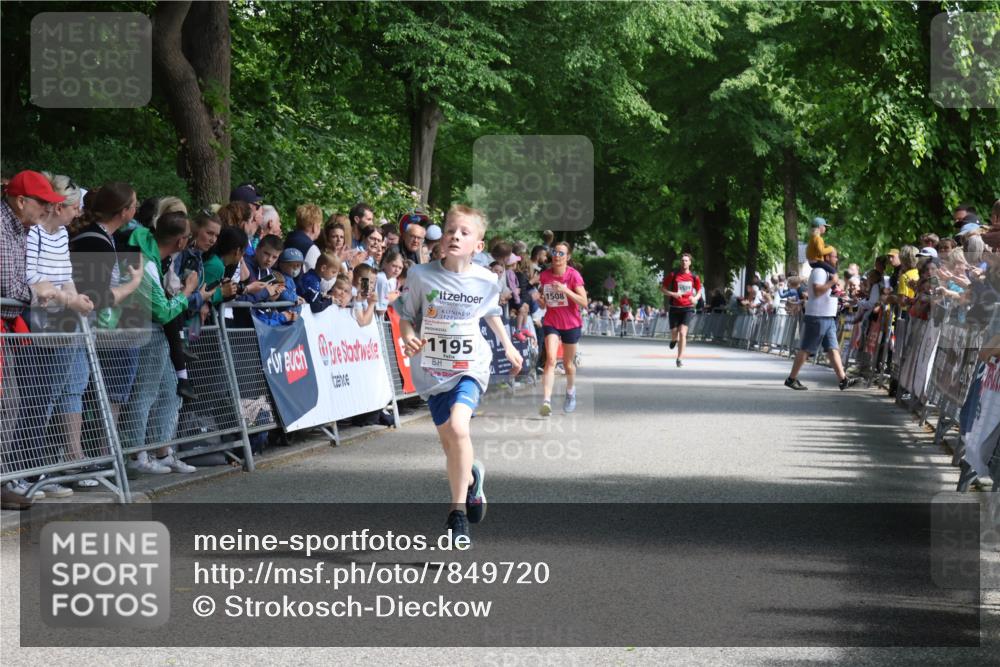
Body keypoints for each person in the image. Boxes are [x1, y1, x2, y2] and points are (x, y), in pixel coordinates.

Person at [395, 205, 522, 542]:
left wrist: (508, 345)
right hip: (433, 371)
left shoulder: (485, 279)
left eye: (464, 232)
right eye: (451, 229)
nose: (455, 236)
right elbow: (406, 315)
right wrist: (408, 336)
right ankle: (472, 479)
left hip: (470, 366)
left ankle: (457, 515)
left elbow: (491, 311)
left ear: (477, 246)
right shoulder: (421, 275)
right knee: (452, 448)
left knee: (458, 425)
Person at [1, 171, 71, 506]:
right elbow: (7, 286)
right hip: (8, 324)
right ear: (21, 201)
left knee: (11, 405)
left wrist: (42, 291)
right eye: (42, 203)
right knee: (10, 405)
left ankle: (6, 479)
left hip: (10, 327)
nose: (47, 209)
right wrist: (37, 291)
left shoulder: (18, 228)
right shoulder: (4, 228)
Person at [122, 211, 203, 474]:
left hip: (157, 335)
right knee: (144, 394)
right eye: (188, 238)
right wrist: (189, 292)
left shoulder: (154, 255)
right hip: (144, 332)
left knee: (170, 391)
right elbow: (164, 311)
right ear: (180, 241)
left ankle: (162, 450)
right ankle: (137, 456)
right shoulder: (145, 260)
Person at [784, 246, 858, 391]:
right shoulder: (820, 271)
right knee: (806, 349)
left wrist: (846, 298)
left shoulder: (828, 272)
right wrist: (832, 282)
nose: (837, 259)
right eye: (834, 256)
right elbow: (817, 291)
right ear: (826, 257)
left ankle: (843, 380)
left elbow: (829, 293)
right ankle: (791, 378)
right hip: (818, 316)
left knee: (833, 348)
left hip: (827, 316)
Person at [536, 241, 587, 415]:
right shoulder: (545, 276)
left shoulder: (573, 276)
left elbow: (584, 302)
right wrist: (540, 301)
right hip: (551, 321)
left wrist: (566, 290)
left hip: (571, 324)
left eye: (561, 253)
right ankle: (546, 401)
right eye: (555, 253)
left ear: (568, 257)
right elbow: (545, 304)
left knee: (567, 364)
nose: (557, 256)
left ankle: (570, 392)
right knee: (550, 359)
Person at [660, 253, 702, 367]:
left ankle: (679, 358)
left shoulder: (694, 277)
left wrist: (695, 298)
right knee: (675, 333)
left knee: (683, 333)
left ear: (690, 263)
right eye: (682, 260)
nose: (684, 262)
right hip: (674, 308)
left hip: (687, 308)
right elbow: (662, 289)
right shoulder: (673, 275)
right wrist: (673, 294)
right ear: (680, 262)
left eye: (686, 260)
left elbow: (699, 291)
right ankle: (674, 340)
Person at [284, 204, 323, 271]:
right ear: (315, 227)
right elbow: (321, 278)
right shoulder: (311, 248)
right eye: (319, 225)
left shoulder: (289, 239)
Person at [376, 250, 404, 315]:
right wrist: (391, 299)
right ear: (385, 264)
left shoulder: (393, 280)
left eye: (400, 268)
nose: (397, 270)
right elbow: (380, 311)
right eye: (394, 266)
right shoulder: (381, 278)